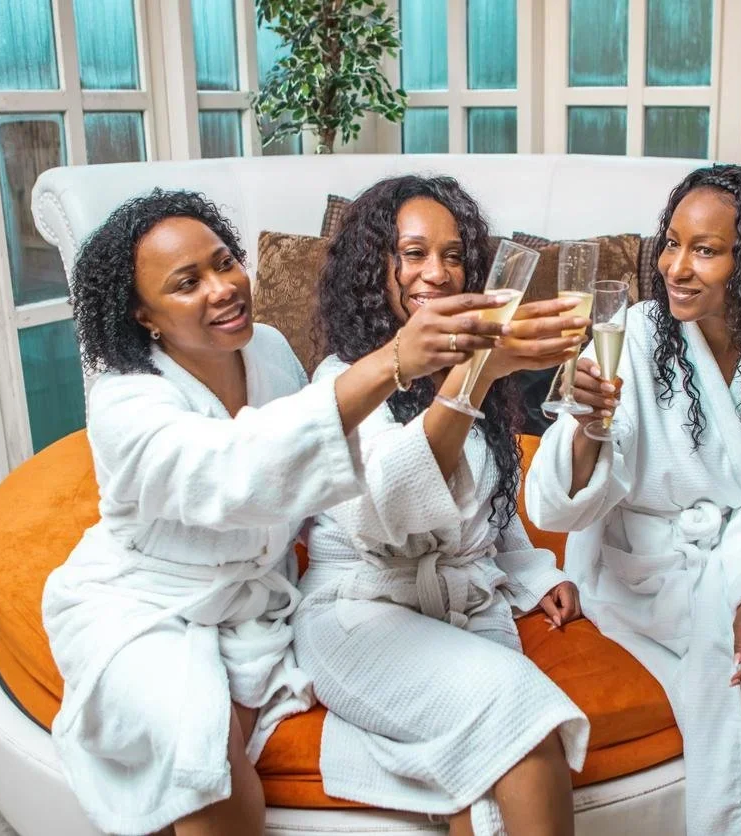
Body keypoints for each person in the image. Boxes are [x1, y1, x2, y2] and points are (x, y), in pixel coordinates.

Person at [42, 189, 516, 836]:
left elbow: (318, 464)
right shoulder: (125, 405)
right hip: (149, 603)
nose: (223, 287)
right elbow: (240, 468)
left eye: (224, 261)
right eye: (188, 282)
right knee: (205, 767)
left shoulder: (265, 349)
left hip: (255, 600)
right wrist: (395, 360)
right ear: (141, 313)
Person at [524, 165, 741, 836]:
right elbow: (563, 504)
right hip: (650, 575)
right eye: (671, 243)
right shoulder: (630, 336)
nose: (675, 267)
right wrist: (585, 426)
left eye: (705, 250)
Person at [294, 175, 592, 836]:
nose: (438, 272)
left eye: (453, 255)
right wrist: (475, 374)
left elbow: (488, 506)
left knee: (483, 788)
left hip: (462, 606)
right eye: (415, 253)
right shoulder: (340, 382)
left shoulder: (466, 363)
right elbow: (386, 515)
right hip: (360, 614)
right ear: (378, 266)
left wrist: (535, 572)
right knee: (525, 727)